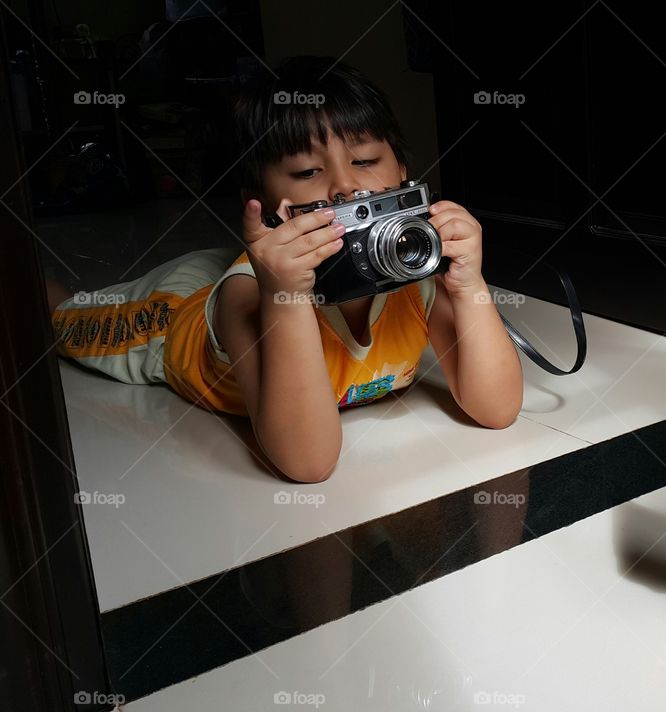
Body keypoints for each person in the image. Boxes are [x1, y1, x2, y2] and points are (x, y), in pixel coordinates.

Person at [48, 56, 523, 483]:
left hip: (243, 277)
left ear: (403, 171)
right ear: (259, 201)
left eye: (365, 160)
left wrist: (469, 285)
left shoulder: (419, 277)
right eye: (307, 172)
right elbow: (308, 464)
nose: (345, 188)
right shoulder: (246, 298)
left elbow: (497, 409)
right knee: (59, 319)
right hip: (173, 316)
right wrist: (285, 298)